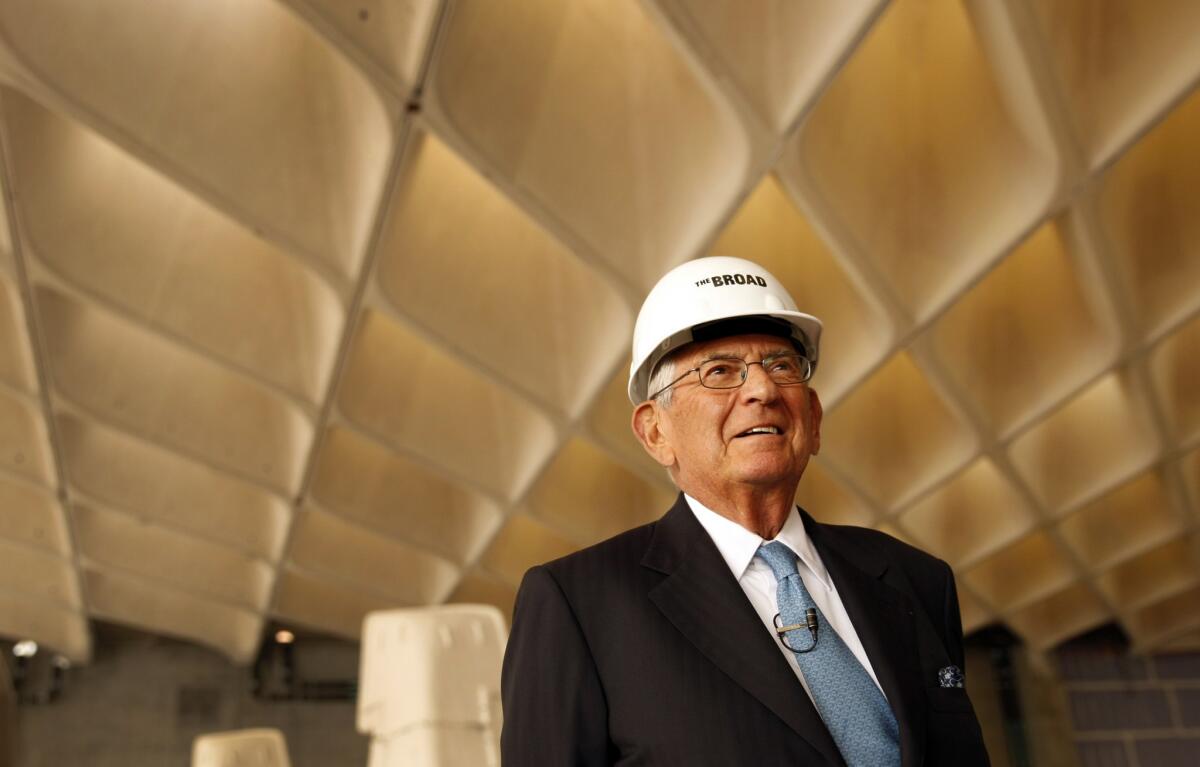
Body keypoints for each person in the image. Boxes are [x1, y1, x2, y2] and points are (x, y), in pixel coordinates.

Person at [500, 256, 990, 766]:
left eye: (781, 365)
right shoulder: (580, 604)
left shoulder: (917, 580)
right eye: (719, 372)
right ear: (655, 432)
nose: (762, 390)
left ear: (814, 418)